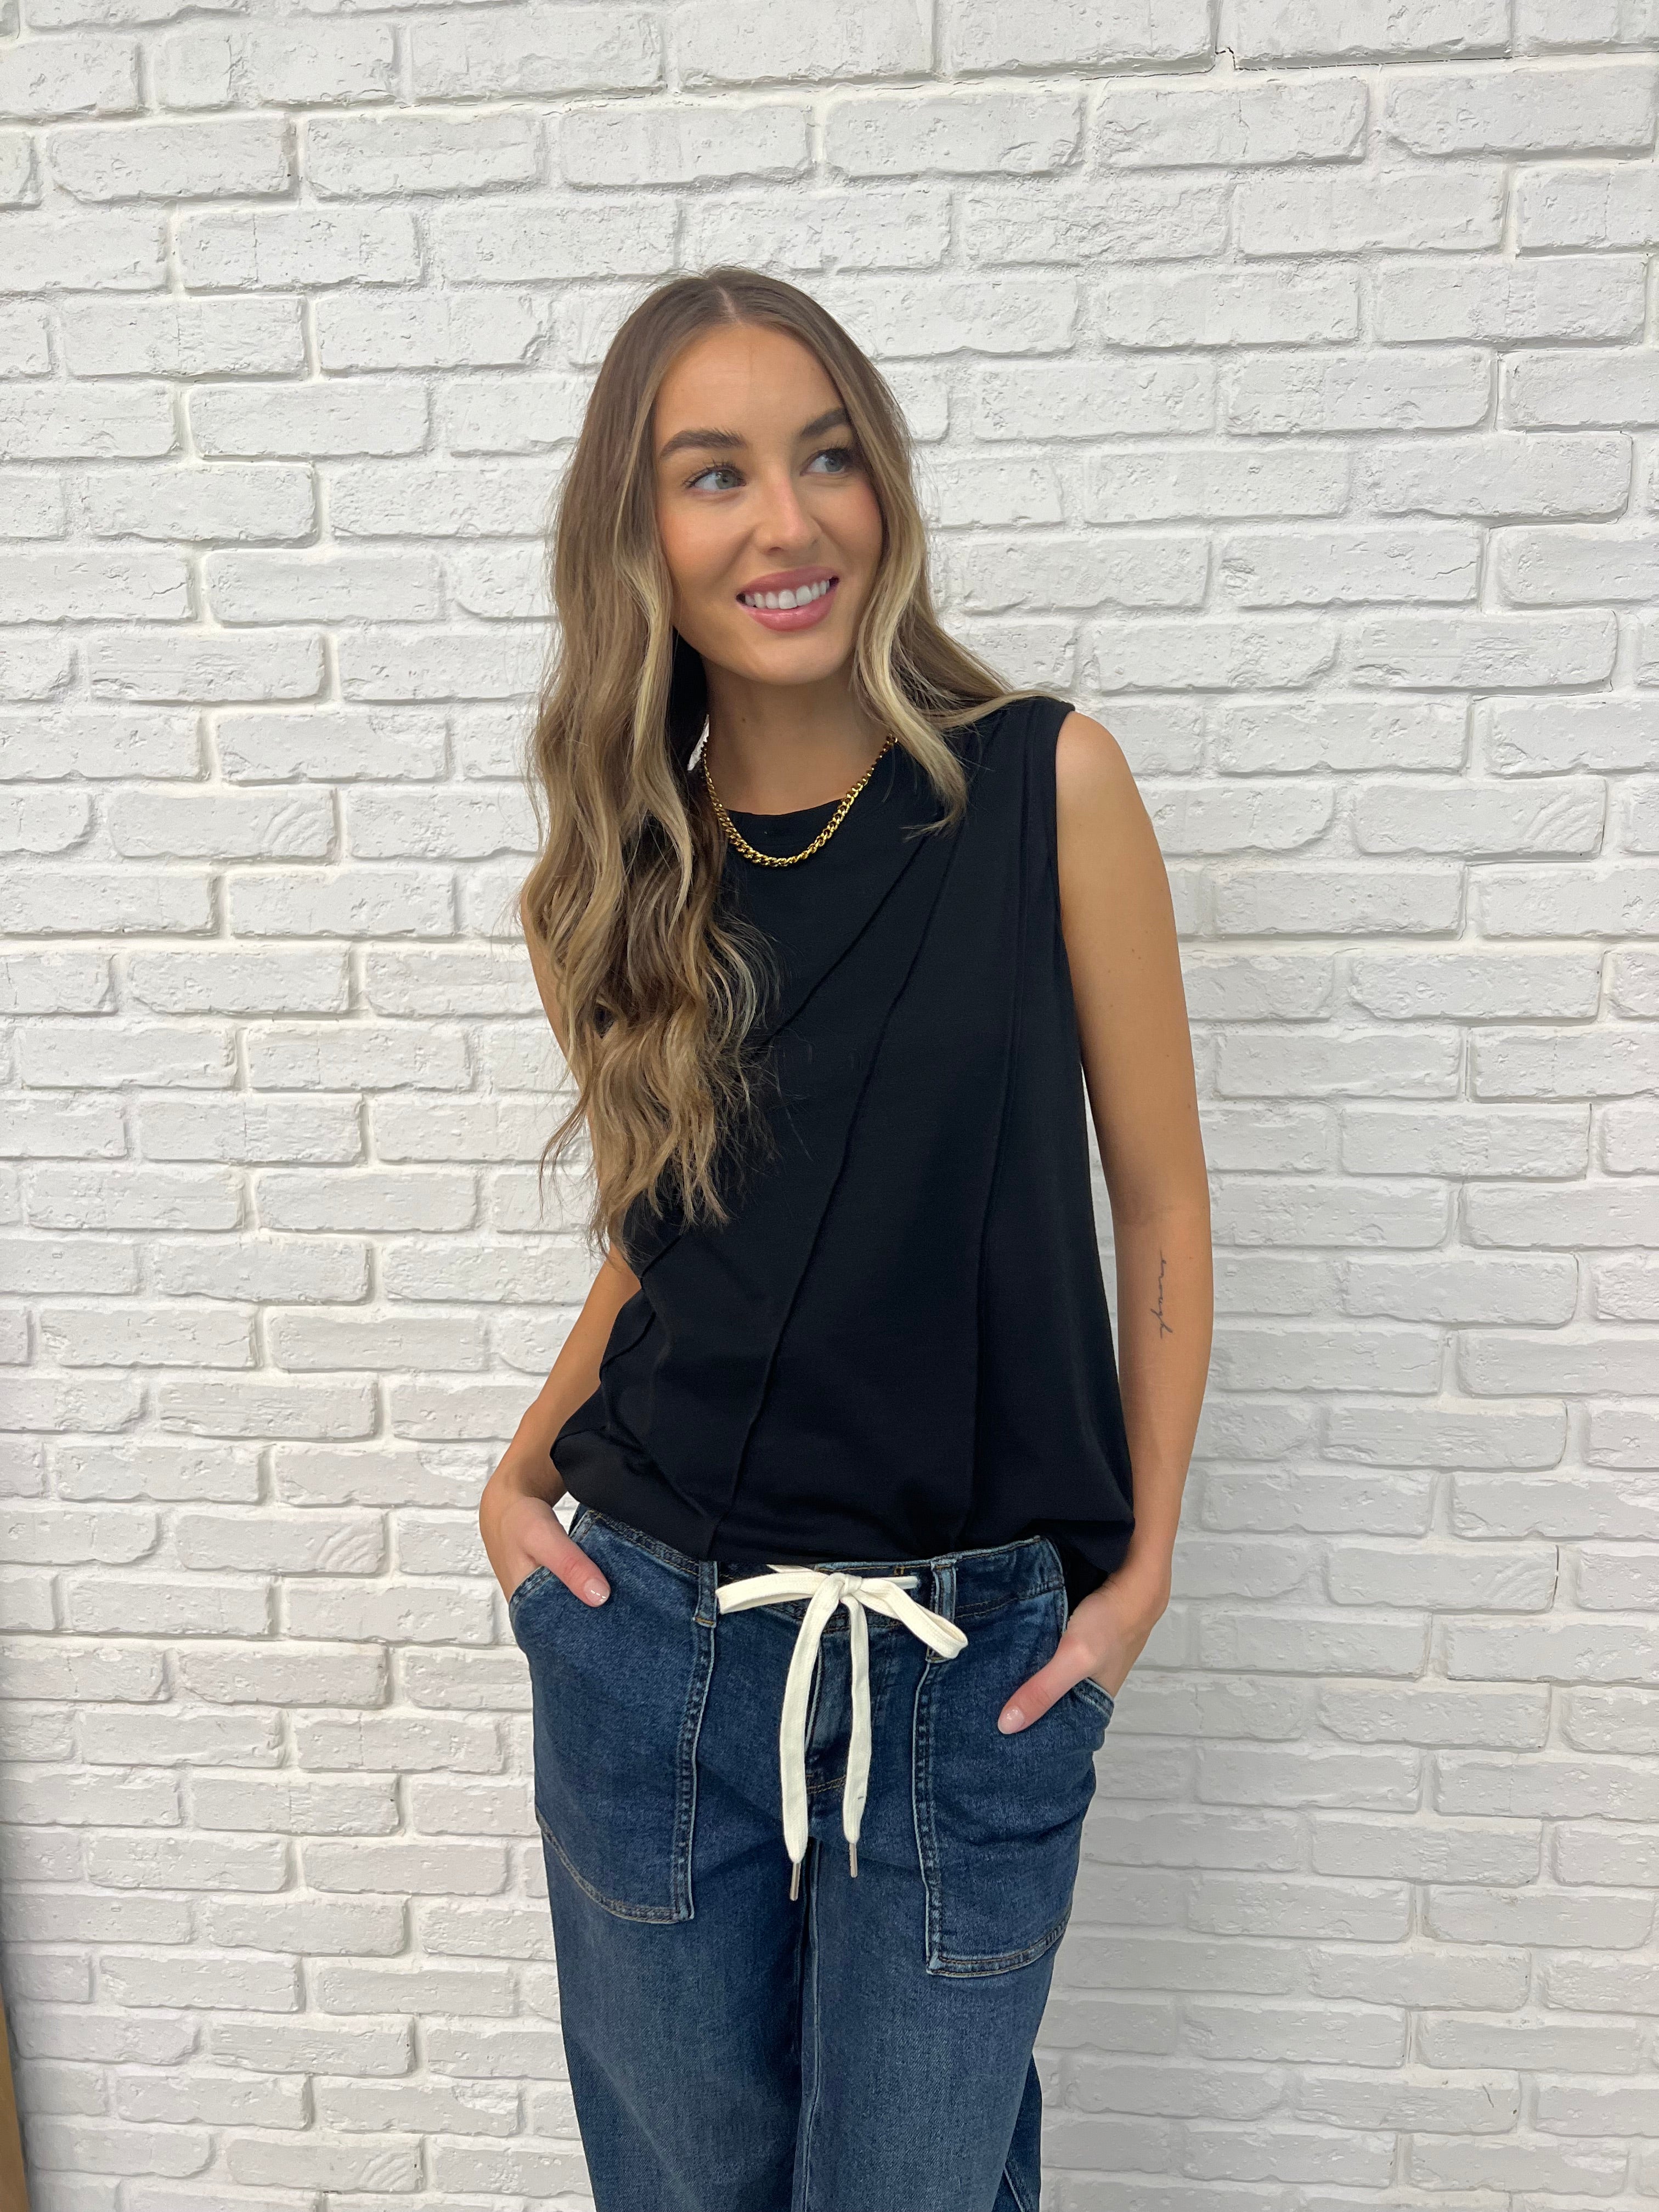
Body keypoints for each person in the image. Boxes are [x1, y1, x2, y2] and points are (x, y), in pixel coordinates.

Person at [479, 266, 1212, 2212]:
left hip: (971, 1658)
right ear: (638, 535)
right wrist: (521, 1480)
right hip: (649, 1642)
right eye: (713, 474)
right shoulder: (611, 887)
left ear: (881, 489)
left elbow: (1159, 1197)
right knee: (681, 2187)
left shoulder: (1046, 785)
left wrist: (1139, 1569)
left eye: (826, 459)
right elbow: (667, 1237)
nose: (786, 522)